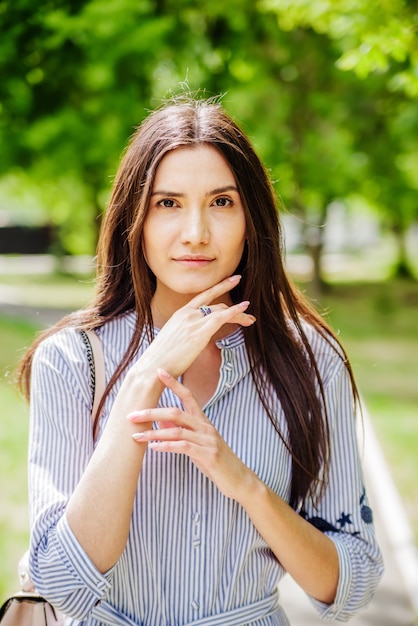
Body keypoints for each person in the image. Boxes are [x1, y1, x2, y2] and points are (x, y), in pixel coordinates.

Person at [18, 97, 383, 626]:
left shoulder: (308, 359)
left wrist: (244, 483)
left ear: (251, 218)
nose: (195, 232)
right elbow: (61, 586)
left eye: (221, 202)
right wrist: (144, 379)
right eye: (167, 203)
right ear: (134, 219)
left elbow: (350, 584)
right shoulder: (73, 360)